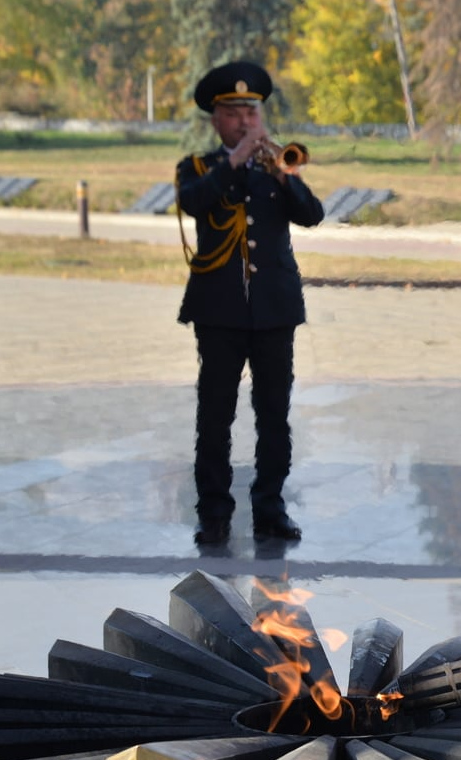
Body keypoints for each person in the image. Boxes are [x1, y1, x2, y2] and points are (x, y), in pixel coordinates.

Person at [177, 61, 324, 547]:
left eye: (252, 113)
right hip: (219, 311)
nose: (245, 122)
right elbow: (194, 202)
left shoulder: (277, 167)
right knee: (215, 416)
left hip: (274, 309)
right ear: (216, 119)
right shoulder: (199, 168)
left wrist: (285, 176)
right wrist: (234, 161)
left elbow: (312, 215)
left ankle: (270, 507)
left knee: (274, 415)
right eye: (235, 113)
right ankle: (214, 512)